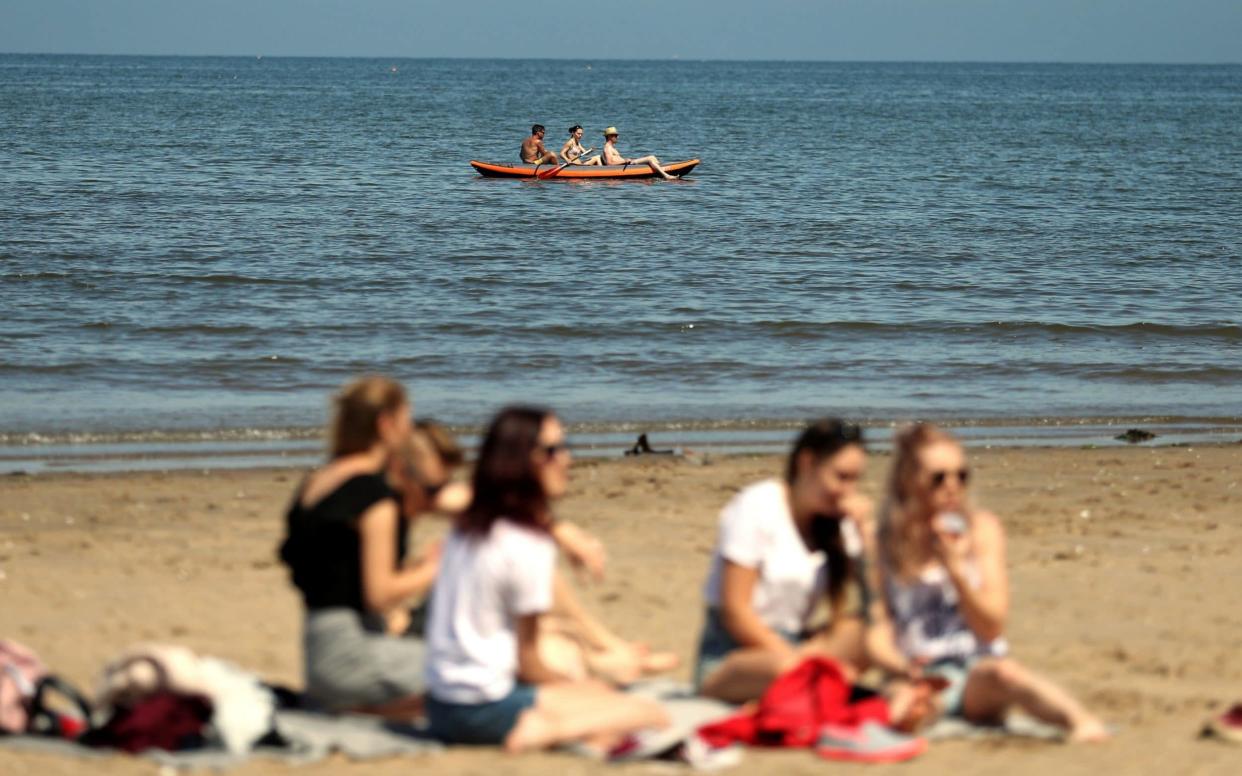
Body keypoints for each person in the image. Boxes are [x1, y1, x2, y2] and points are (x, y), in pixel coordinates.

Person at [423, 406, 670, 752]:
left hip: (440, 704)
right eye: (555, 450)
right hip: (482, 708)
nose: (567, 459)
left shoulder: (468, 524)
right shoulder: (526, 544)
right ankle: (542, 731)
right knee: (648, 713)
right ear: (525, 461)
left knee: (595, 695)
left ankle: (564, 720)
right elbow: (529, 664)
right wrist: (568, 688)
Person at [870, 423, 1110, 742]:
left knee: (1006, 673)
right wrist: (903, 669)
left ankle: (1080, 722)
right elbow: (878, 629)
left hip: (976, 669)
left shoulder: (981, 530)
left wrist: (955, 570)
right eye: (938, 477)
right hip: (916, 669)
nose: (953, 486)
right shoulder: (883, 543)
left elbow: (992, 626)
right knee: (903, 706)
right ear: (907, 480)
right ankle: (918, 716)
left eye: (961, 476)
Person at [278, 376, 434, 719]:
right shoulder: (373, 496)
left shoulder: (317, 482)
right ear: (386, 424)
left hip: (316, 651)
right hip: (356, 652)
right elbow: (379, 596)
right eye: (406, 420)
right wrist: (434, 567)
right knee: (484, 669)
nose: (409, 432)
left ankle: (369, 708)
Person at [694, 419, 874, 704]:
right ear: (807, 463)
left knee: (876, 634)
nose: (848, 490)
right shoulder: (758, 505)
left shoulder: (836, 521)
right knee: (785, 668)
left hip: (798, 644)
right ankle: (814, 683)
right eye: (841, 477)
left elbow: (876, 604)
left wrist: (865, 535)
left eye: (855, 479)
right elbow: (735, 611)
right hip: (735, 656)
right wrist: (798, 661)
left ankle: (811, 684)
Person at [600, 127, 675, 180]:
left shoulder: (611, 147)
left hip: (626, 165)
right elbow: (609, 164)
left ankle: (659, 169)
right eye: (615, 135)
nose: (617, 137)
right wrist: (624, 161)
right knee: (649, 158)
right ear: (610, 136)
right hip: (624, 166)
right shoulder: (608, 148)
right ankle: (666, 175)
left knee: (652, 157)